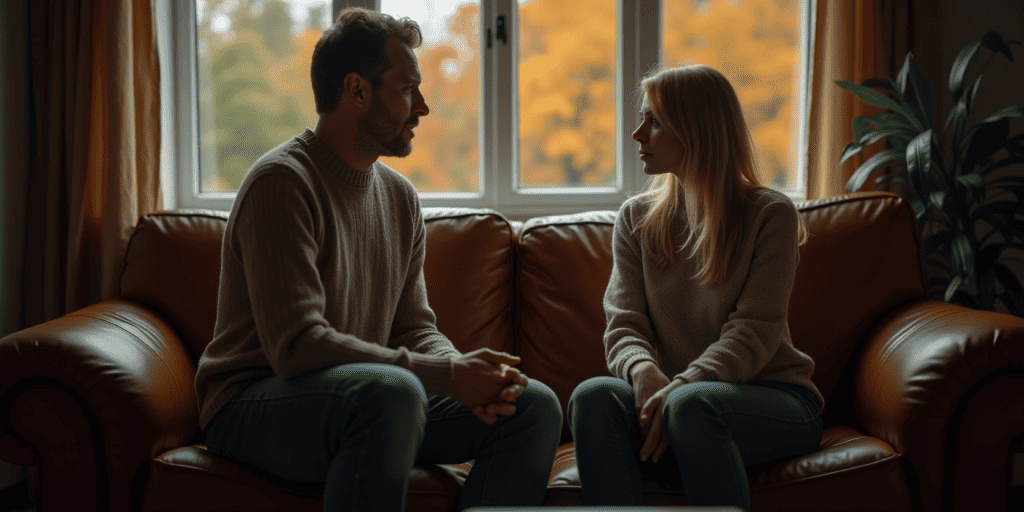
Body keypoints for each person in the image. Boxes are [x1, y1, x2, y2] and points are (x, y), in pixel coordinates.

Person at [194, 8, 562, 512]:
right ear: (357, 90)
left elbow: (413, 328)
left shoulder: (400, 196)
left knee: (532, 406)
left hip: (369, 396)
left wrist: (464, 371)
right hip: (255, 402)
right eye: (408, 87)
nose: (424, 107)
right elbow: (296, 347)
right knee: (393, 394)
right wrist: (450, 379)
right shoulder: (281, 183)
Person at [567, 65, 825, 512]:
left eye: (654, 121)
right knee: (592, 398)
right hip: (675, 399)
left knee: (690, 407)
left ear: (696, 130)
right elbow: (624, 322)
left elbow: (754, 331)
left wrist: (684, 386)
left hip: (772, 399)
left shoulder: (771, 215)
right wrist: (644, 373)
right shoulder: (635, 219)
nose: (636, 134)